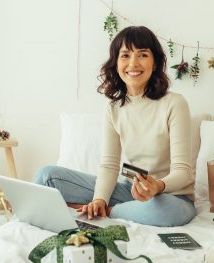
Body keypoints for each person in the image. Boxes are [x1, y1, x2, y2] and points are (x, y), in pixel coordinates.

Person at [33, 26, 196, 227]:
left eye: (143, 55)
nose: (133, 63)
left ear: (154, 63)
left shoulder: (175, 103)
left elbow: (183, 171)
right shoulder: (113, 108)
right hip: (129, 191)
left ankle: (109, 212)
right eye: (125, 55)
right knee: (47, 176)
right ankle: (110, 207)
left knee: (166, 212)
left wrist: (157, 187)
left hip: (170, 197)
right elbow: (110, 165)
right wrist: (99, 198)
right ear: (116, 63)